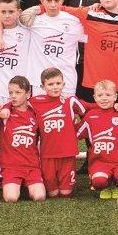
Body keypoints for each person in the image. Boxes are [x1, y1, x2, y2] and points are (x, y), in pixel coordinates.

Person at [19, 0, 85, 97]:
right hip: (39, 81)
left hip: (66, 81)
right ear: (41, 1)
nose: (53, 4)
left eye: (56, 0)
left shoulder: (74, 22)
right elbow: (7, 20)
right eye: (49, 0)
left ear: (62, 1)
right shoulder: (33, 21)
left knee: (66, 115)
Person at [29, 68, 87, 198]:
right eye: (50, 84)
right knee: (53, 193)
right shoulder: (35, 102)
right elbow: (17, 104)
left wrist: (76, 131)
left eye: (58, 83)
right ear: (42, 86)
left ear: (63, 84)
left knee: (65, 193)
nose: (55, 87)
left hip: (68, 152)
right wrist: (5, 108)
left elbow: (88, 112)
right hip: (47, 153)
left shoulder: (70, 101)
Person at [77, 80, 118, 199]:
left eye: (108, 95)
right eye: (100, 95)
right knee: (99, 182)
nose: (104, 98)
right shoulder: (90, 116)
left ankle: (116, 184)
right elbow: (76, 133)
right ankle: (105, 185)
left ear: (115, 96)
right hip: (99, 162)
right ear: (94, 97)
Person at [0, 76, 46, 202]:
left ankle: (27, 186)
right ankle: (19, 186)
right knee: (11, 198)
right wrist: (6, 107)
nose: (13, 96)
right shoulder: (4, 114)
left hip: (32, 166)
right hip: (11, 167)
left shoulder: (35, 113)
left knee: (40, 196)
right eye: (10, 93)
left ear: (28, 94)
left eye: (18, 92)